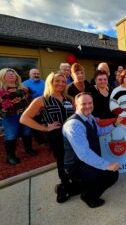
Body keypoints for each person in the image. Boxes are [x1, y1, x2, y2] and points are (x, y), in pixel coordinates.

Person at [20, 71, 75, 203]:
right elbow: (24, 118)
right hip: (56, 136)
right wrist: (45, 128)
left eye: (63, 81)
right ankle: (64, 187)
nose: (61, 84)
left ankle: (74, 181)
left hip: (72, 135)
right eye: (57, 81)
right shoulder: (41, 100)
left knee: (73, 158)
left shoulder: (69, 99)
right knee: (62, 160)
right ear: (50, 82)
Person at [62, 92, 121, 208]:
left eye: (90, 103)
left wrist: (114, 125)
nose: (88, 106)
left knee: (98, 175)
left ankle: (67, 188)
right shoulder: (74, 125)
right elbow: (84, 154)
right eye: (83, 104)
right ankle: (88, 196)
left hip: (84, 162)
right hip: (76, 166)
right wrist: (107, 165)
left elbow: (99, 131)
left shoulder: (90, 117)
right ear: (76, 105)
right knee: (112, 175)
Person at [0, 68, 36, 165]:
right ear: (3, 76)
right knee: (11, 135)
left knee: (27, 132)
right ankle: (10, 156)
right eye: (8, 74)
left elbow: (31, 99)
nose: (12, 75)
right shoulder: (1, 89)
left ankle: (28, 149)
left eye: (13, 74)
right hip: (9, 116)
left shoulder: (24, 87)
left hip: (25, 114)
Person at [23, 68, 47, 146]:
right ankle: (41, 141)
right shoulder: (24, 84)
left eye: (38, 74)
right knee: (36, 124)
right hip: (34, 107)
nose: (36, 75)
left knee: (47, 122)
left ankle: (50, 139)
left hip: (46, 106)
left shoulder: (45, 83)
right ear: (30, 75)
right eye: (34, 74)